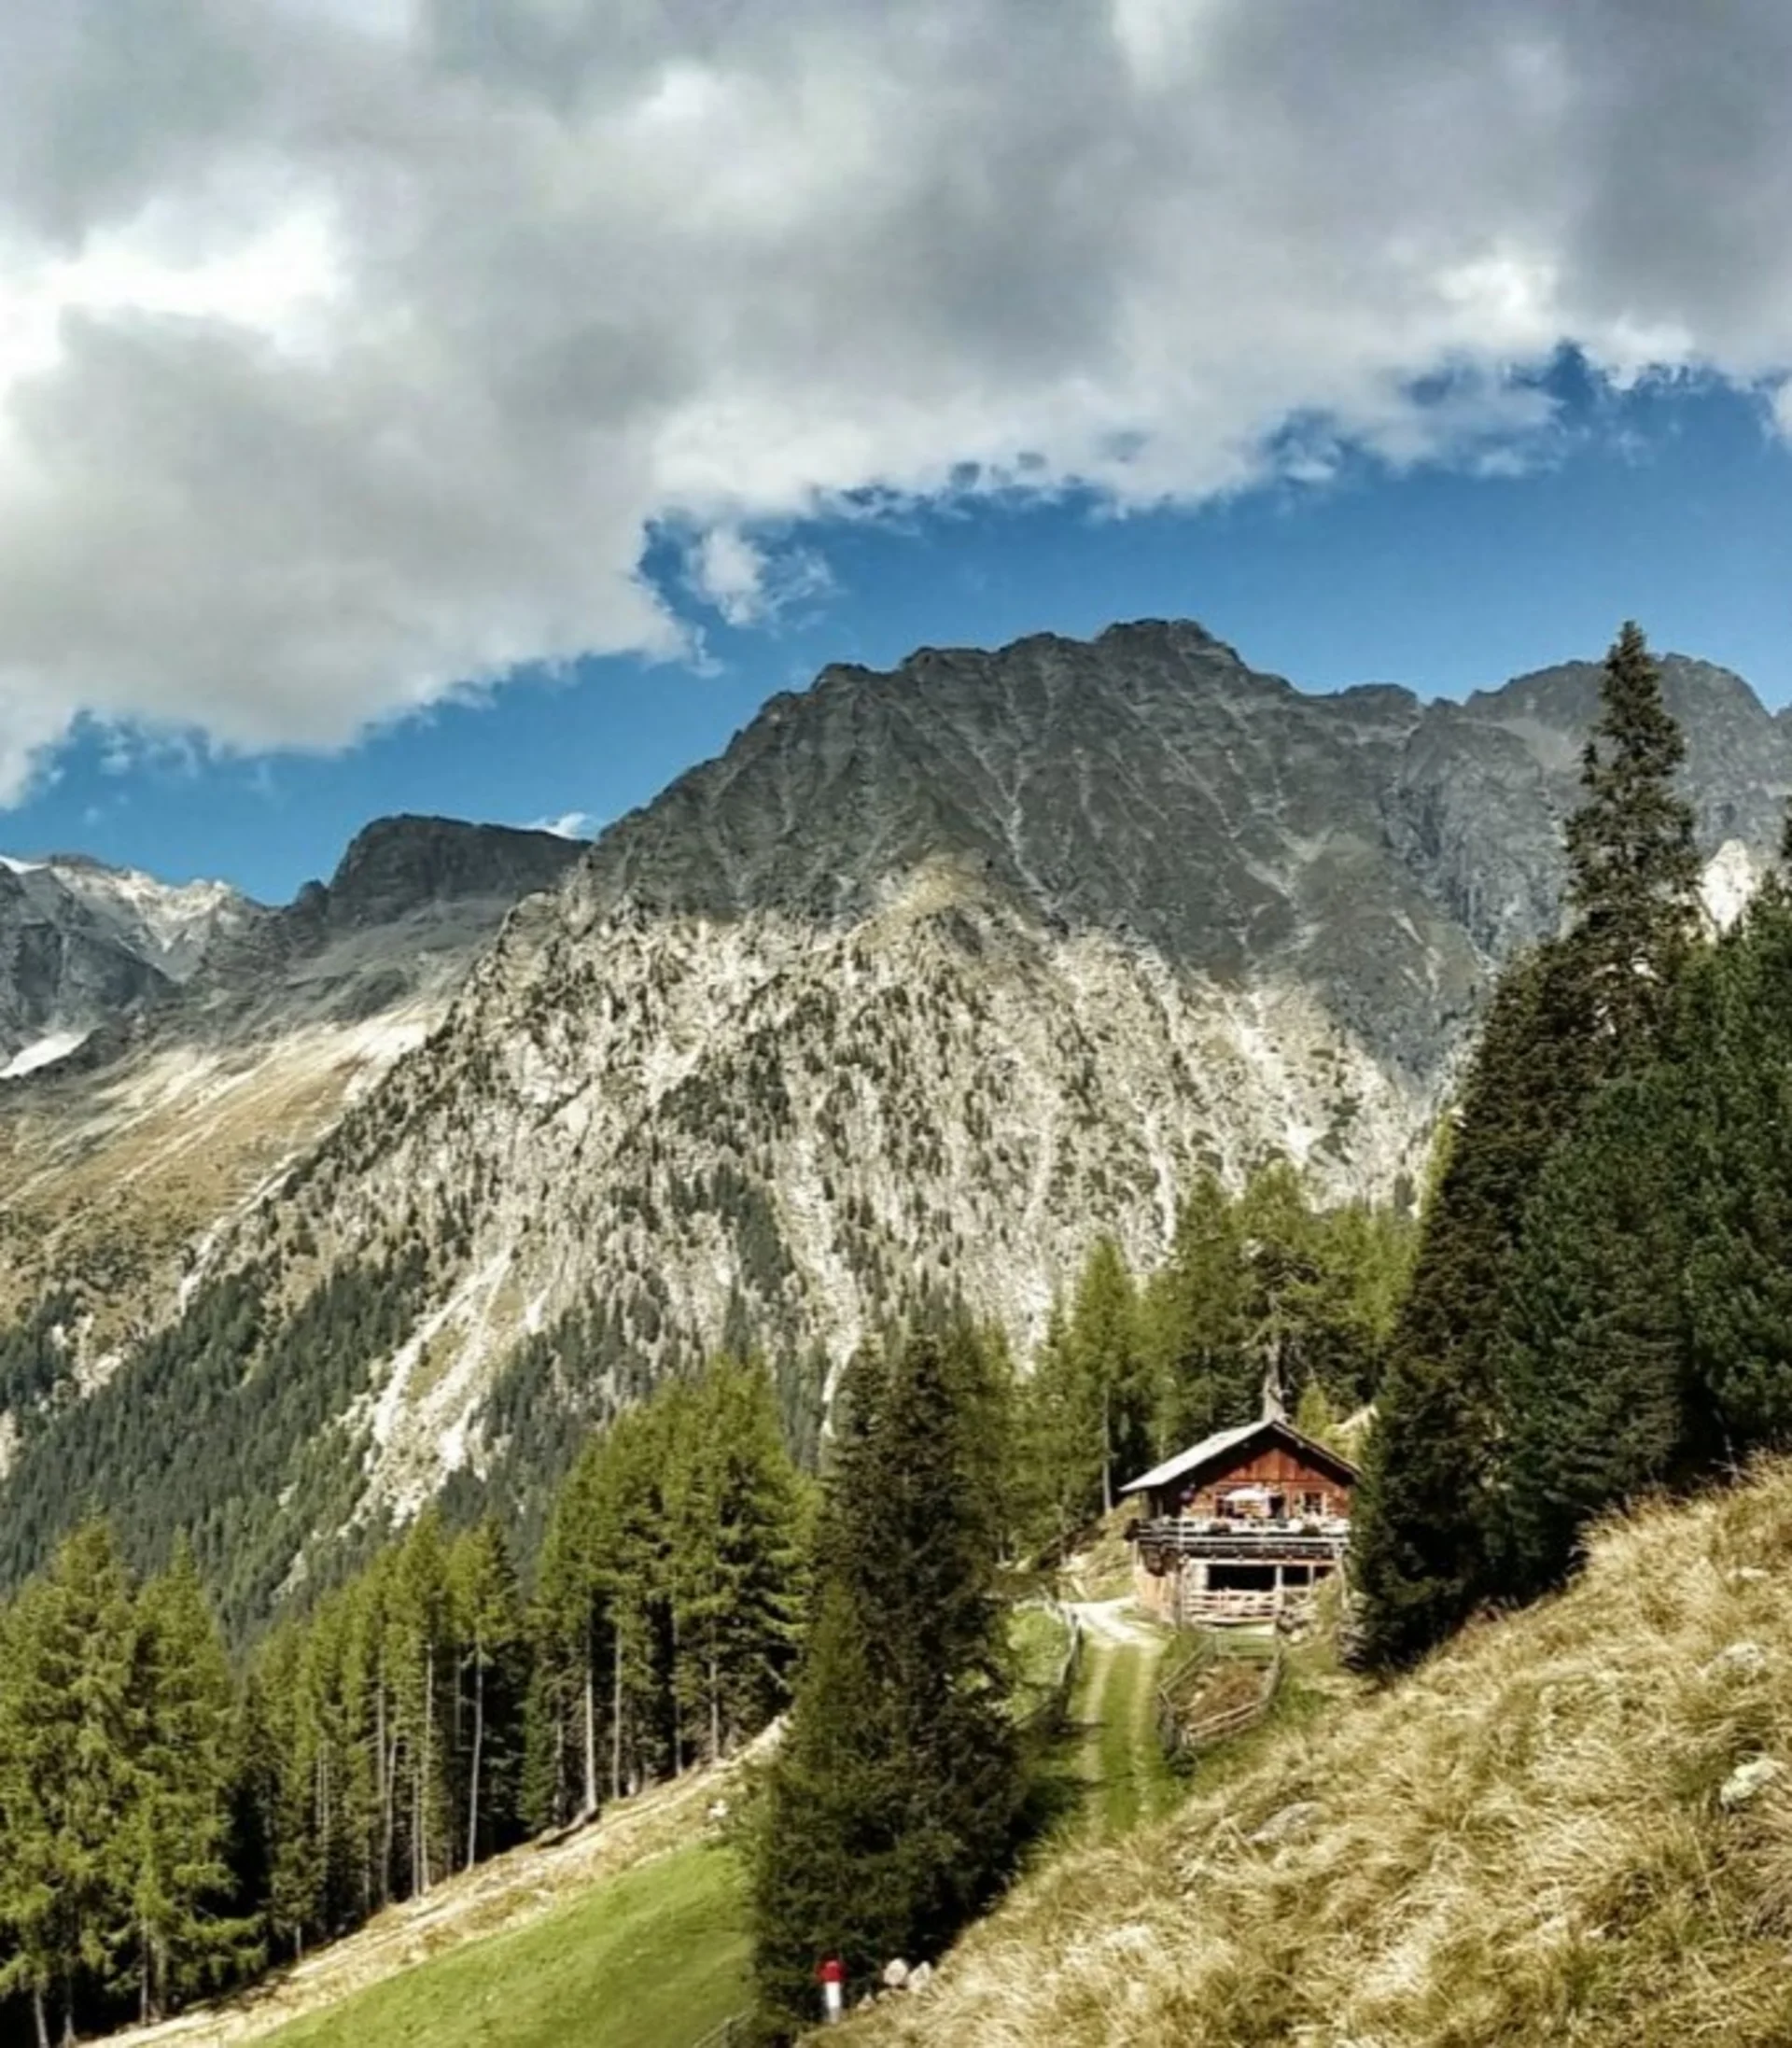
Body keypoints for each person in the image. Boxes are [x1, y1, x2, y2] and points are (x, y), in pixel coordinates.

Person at [815, 1956, 845, 2024]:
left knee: (831, 2001)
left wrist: (819, 1981)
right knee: (837, 1999)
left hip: (829, 1984)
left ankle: (833, 2019)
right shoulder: (838, 1965)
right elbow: (843, 1973)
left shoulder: (825, 1967)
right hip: (837, 1983)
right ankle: (838, 2016)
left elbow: (821, 1975)